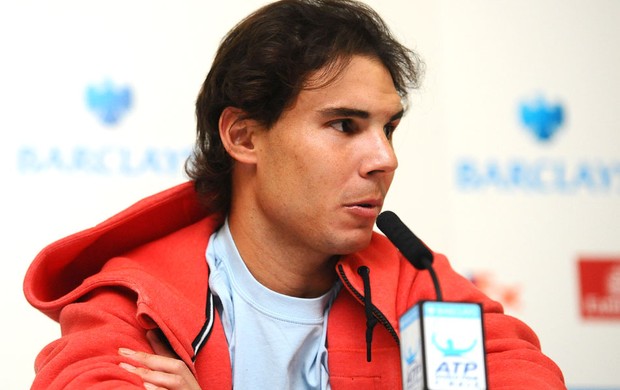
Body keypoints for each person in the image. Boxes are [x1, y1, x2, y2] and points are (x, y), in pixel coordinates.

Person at [23, 0, 566, 389]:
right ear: (244, 136)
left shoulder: (416, 282)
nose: (385, 159)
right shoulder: (137, 299)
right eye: (345, 125)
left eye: (389, 128)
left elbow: (526, 375)